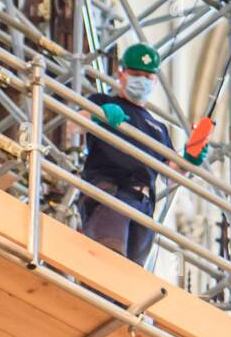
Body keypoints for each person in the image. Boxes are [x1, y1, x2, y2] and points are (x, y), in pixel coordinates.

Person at [79, 42, 209, 268]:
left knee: (132, 275)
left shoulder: (158, 128)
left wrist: (189, 160)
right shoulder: (103, 102)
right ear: (121, 74)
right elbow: (74, 123)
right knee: (107, 263)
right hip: (111, 193)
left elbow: (170, 174)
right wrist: (98, 115)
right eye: (136, 74)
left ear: (155, 80)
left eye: (148, 77)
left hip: (144, 204)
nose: (142, 81)